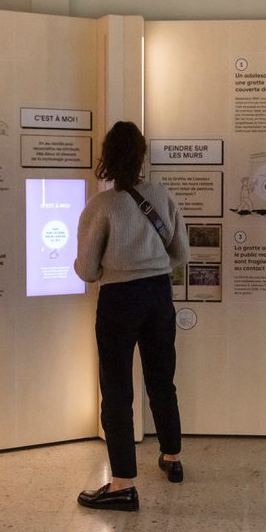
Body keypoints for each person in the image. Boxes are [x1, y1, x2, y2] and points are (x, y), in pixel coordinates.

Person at [74, 121, 189, 511]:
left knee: (117, 390)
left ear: (107, 157)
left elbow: (88, 270)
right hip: (158, 294)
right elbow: (181, 254)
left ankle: (122, 484)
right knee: (162, 379)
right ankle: (172, 458)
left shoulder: (101, 207)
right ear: (141, 155)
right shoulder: (161, 195)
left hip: (118, 300)